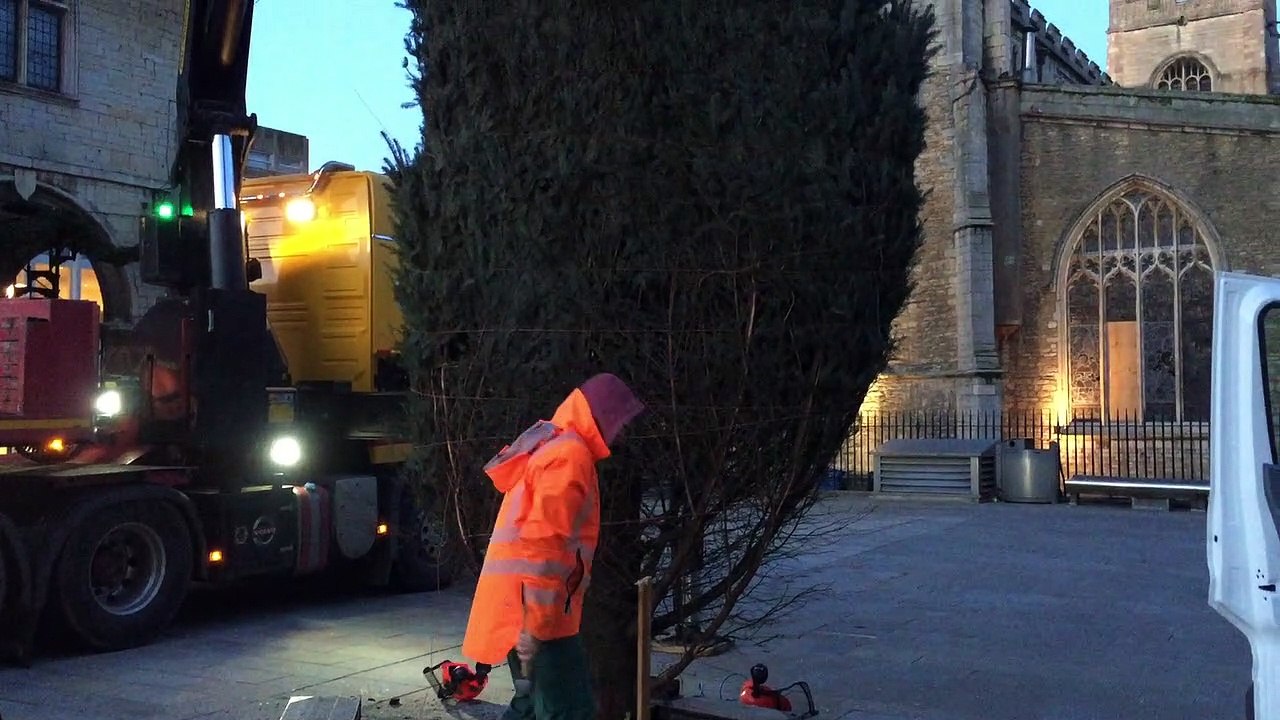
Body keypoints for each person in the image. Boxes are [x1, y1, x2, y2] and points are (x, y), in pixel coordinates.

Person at [461, 373, 646, 720]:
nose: (621, 433)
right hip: (541, 621)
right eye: (620, 422)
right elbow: (544, 547)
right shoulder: (570, 456)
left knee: (531, 707)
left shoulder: (553, 445)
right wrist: (535, 627)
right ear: (602, 417)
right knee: (569, 711)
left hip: (523, 611)